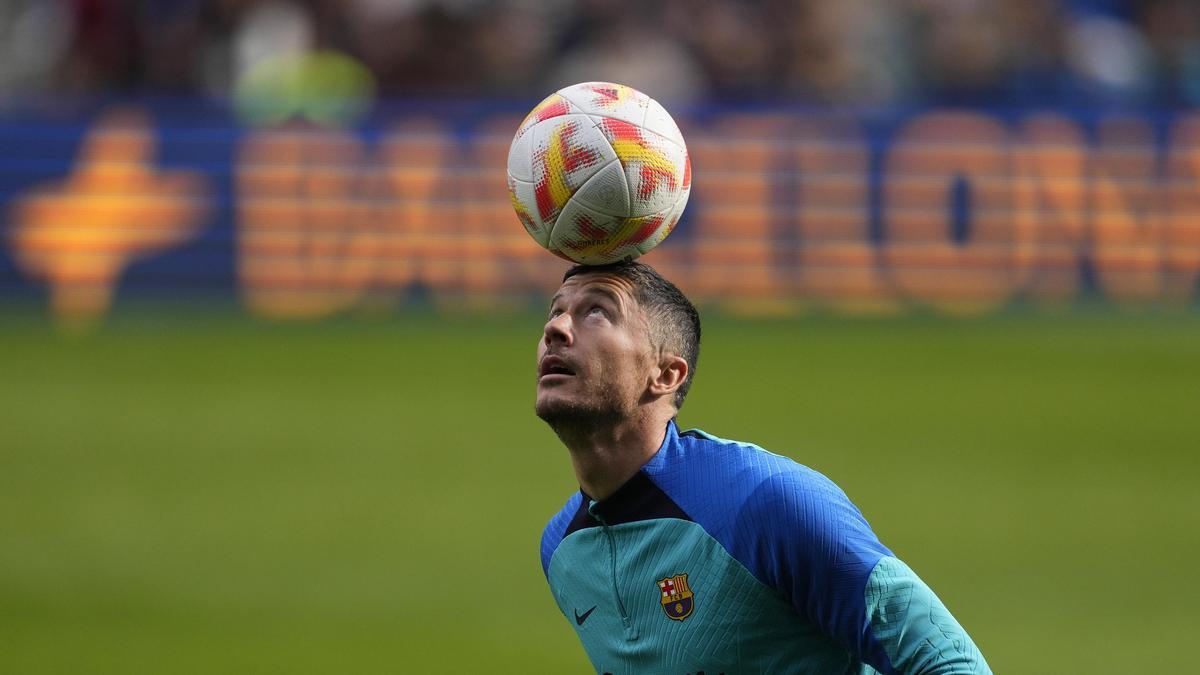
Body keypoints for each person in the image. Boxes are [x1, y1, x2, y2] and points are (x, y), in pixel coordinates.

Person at [536, 260, 991, 674]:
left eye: (597, 312)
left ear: (666, 375)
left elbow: (950, 662)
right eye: (555, 311)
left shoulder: (767, 500)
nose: (556, 328)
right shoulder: (562, 551)